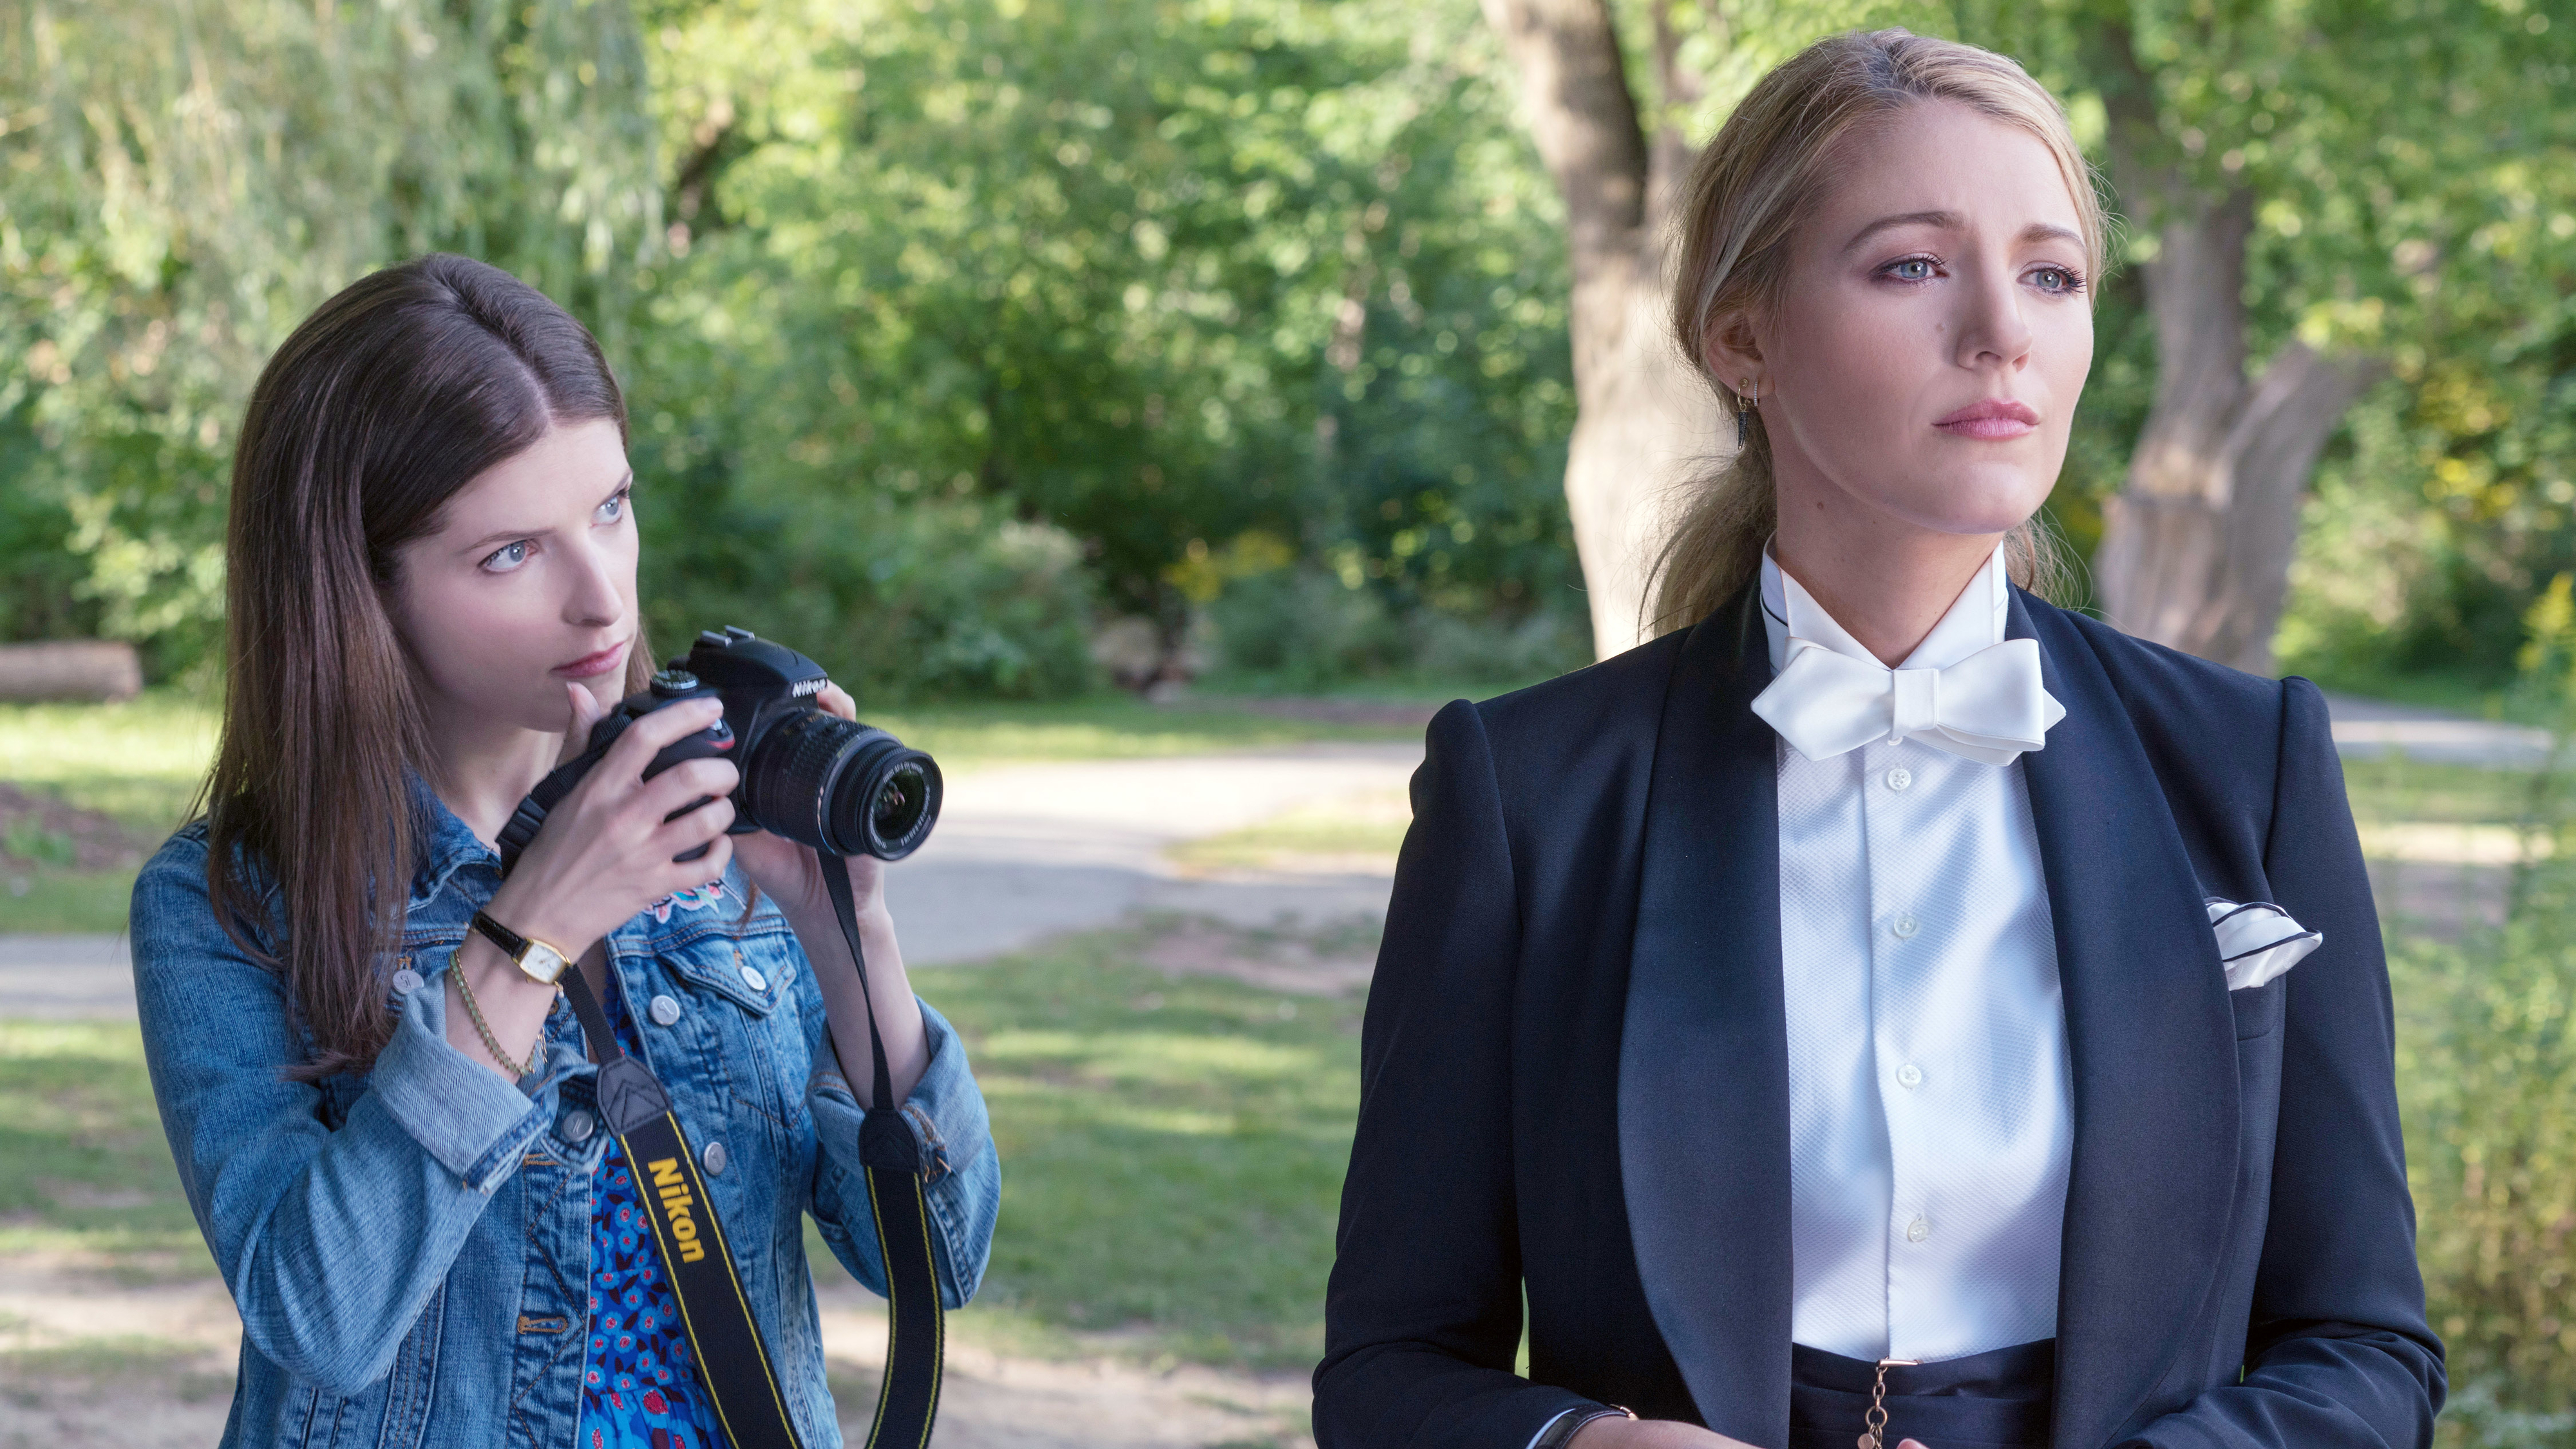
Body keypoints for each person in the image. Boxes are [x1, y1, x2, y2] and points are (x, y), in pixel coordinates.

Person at [1313, 30, 2439, 1449]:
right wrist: (1582, 1446)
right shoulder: (1526, 793)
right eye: (1912, 265)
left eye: (2051, 274)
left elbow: (2364, 1347)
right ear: (1739, 334)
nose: (2000, 332)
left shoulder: (2248, 764)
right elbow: (1386, 1374)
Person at [129, 253, 998, 1449]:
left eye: (612, 508)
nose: (604, 601)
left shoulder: (717, 824)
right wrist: (530, 933)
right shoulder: (228, 901)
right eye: (510, 553)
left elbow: (938, 1260)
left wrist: (852, 930)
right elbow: (321, 1315)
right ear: (361, 592)